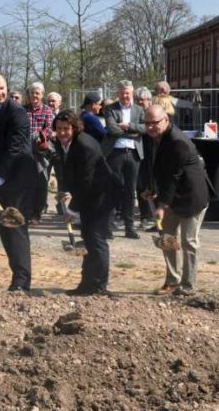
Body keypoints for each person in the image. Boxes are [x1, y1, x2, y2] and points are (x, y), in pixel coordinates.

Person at [143, 105, 214, 296]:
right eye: (147, 123)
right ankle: (172, 281)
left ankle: (188, 285)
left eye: (154, 123)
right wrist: (151, 188)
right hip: (172, 195)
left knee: (188, 241)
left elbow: (174, 176)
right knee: (168, 238)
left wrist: (162, 206)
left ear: (166, 120)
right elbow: (156, 167)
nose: (150, 127)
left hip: (192, 196)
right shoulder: (153, 138)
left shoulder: (177, 141)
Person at [53, 110, 119, 296]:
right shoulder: (65, 143)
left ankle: (99, 285)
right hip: (90, 195)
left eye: (66, 129)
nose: (62, 132)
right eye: (59, 129)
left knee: (97, 241)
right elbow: (74, 172)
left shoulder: (84, 145)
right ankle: (87, 283)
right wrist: (66, 191)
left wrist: (72, 210)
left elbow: (88, 182)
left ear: (75, 128)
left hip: (102, 196)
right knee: (88, 239)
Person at [0, 73, 38, 292]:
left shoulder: (17, 112)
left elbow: (15, 150)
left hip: (16, 181)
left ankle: (22, 281)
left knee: (15, 228)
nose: (0, 93)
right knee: (4, 227)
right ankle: (17, 276)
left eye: (2, 88)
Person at [102, 80, 146, 240]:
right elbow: (112, 129)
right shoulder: (109, 109)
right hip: (115, 153)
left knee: (130, 191)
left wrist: (127, 126)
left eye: (127, 93)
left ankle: (129, 227)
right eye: (122, 93)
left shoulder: (140, 110)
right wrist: (133, 131)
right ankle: (108, 226)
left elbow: (145, 128)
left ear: (132, 93)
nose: (125, 96)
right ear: (118, 93)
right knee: (112, 189)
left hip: (134, 154)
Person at [24, 82, 54, 224]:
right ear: (29, 95)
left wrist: (39, 136)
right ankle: (27, 211)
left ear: (42, 95)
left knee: (41, 182)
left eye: (37, 93)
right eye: (32, 93)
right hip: (25, 151)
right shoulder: (23, 110)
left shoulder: (47, 110)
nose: (34, 96)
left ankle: (37, 213)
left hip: (40, 152)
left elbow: (49, 128)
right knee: (26, 182)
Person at [135, 86, 154, 228]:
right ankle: (144, 216)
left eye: (143, 100)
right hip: (139, 152)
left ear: (149, 100)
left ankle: (156, 214)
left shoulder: (154, 112)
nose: (140, 102)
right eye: (138, 100)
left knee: (154, 183)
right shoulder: (134, 113)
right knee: (141, 185)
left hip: (154, 151)